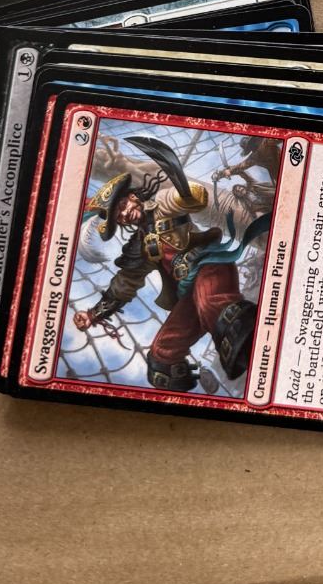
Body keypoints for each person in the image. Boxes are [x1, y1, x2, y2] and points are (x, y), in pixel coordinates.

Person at [75, 135, 263, 394]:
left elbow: (187, 199)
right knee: (161, 356)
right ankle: (202, 381)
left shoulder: (162, 205)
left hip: (210, 267)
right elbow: (124, 285)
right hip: (189, 293)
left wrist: (187, 194)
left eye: (123, 205)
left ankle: (262, 348)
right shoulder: (139, 247)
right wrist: (93, 315)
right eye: (118, 215)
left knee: (214, 306)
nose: (124, 213)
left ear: (133, 197)